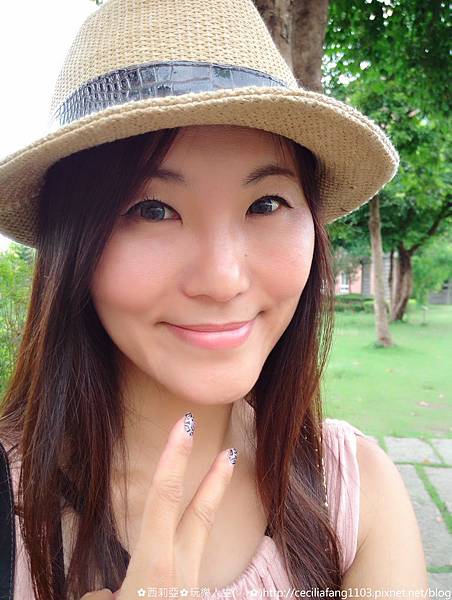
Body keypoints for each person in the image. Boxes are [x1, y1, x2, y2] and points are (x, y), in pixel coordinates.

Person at [0, 0, 428, 599]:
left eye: (266, 204)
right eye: (153, 210)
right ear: (75, 243)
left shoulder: (356, 491)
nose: (223, 280)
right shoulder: (14, 508)